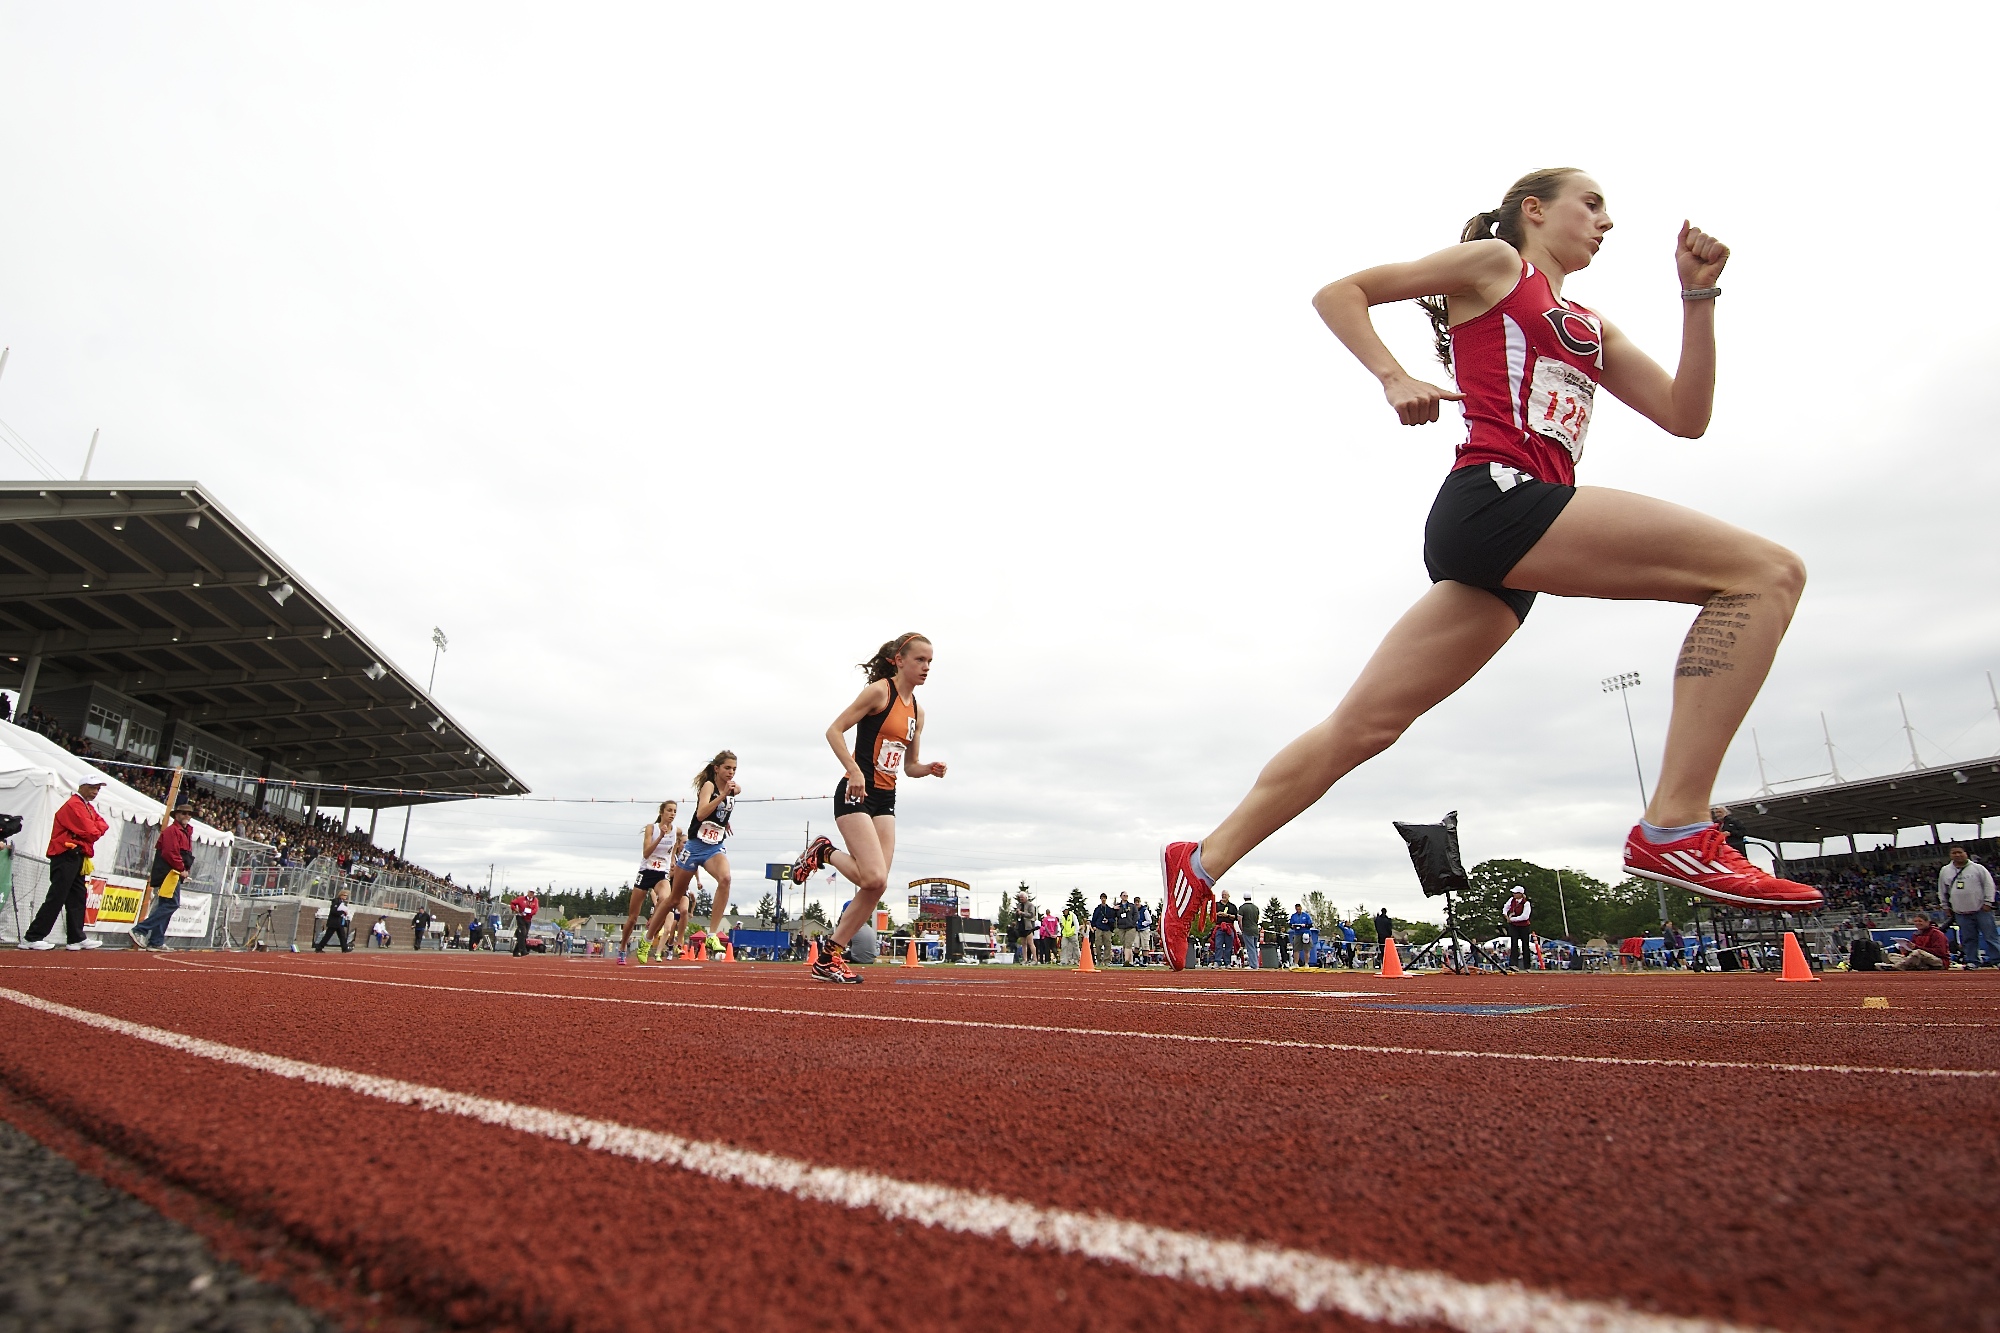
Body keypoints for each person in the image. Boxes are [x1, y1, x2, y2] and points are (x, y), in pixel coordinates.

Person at [1156, 169, 1819, 969]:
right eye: (1593, 203)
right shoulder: (1498, 267)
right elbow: (1340, 292)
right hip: (1498, 498)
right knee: (1765, 573)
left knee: (1362, 727)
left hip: (1508, 543)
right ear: (1534, 209)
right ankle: (1676, 821)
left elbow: (1687, 416)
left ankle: (1201, 861)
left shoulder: (1590, 325)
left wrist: (1697, 300)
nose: (1608, 220)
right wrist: (1393, 374)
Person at [785, 634, 947, 984]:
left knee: (877, 885)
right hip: (855, 792)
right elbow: (834, 730)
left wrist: (928, 768)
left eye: (930, 662)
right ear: (899, 660)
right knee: (872, 876)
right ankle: (824, 852)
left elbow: (909, 765)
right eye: (920, 660)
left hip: (885, 800)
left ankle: (828, 958)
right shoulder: (879, 692)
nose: (926, 668)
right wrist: (855, 769)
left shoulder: (917, 710)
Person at [641, 753, 742, 960]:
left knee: (726, 879)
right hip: (695, 847)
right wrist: (722, 798)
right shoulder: (709, 786)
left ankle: (712, 934)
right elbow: (701, 813)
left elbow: (729, 800)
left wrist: (724, 820)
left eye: (734, 769)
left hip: (714, 847)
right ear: (717, 769)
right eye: (727, 768)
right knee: (673, 899)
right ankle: (648, 939)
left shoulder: (734, 787)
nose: (731, 772)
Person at [20, 778, 110, 952]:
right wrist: (94, 828)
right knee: (57, 896)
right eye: (92, 788)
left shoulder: (86, 806)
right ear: (82, 787)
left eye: (97, 789)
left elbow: (102, 825)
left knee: (77, 896)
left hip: (77, 855)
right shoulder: (74, 805)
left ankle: (76, 938)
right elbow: (91, 831)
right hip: (65, 854)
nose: (95, 792)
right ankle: (32, 937)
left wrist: (94, 828)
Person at [130, 801, 196, 951]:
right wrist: (181, 868)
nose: (187, 816)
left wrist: (184, 869)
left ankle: (156, 941)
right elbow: (170, 853)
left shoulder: (184, 832)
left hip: (174, 873)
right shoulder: (172, 831)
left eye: (189, 814)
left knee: (166, 905)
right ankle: (140, 929)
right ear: (177, 815)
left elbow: (182, 854)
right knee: (171, 904)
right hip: (169, 873)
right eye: (183, 813)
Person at [622, 801, 683, 964]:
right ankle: (622, 948)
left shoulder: (677, 831)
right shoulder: (652, 828)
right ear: (662, 812)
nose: (672, 814)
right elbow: (646, 853)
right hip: (646, 872)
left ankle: (647, 937)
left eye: (675, 811)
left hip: (661, 874)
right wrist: (661, 836)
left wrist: (672, 861)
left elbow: (675, 846)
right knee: (633, 918)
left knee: (667, 901)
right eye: (669, 810)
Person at [1938, 846, 1998, 969]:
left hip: (1981, 909)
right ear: (1950, 855)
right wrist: (1945, 906)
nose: (1957, 855)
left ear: (1966, 854)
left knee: (1990, 936)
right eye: (1954, 853)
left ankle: (1997, 959)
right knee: (1968, 938)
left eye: (1959, 852)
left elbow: (1989, 885)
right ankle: (1972, 961)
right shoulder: (1945, 870)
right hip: (1960, 911)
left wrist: (1988, 902)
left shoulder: (1978, 868)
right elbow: (1942, 890)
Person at [314, 888, 354, 953]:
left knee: (342, 936)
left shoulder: (343, 903)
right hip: (334, 922)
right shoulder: (336, 901)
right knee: (328, 936)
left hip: (339, 922)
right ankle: (319, 947)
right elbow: (333, 911)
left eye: (346, 896)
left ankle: (344, 948)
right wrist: (342, 912)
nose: (345, 897)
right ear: (340, 895)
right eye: (344, 895)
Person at [1503, 886, 1533, 971]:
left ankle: (1527, 966)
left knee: (1525, 945)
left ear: (1520, 894)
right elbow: (1505, 908)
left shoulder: (1526, 903)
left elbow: (1525, 916)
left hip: (1524, 926)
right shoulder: (1511, 900)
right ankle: (1513, 964)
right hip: (1514, 926)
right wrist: (1505, 915)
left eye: (1516, 893)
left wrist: (1512, 919)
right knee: (1514, 943)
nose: (1514, 894)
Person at [1088, 893, 1117, 966]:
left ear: (1106, 899)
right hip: (1099, 928)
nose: (1103, 899)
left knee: (1108, 945)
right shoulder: (1097, 909)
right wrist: (1093, 925)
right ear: (1100, 899)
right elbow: (1094, 918)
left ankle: (1107, 960)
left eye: (1104, 898)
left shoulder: (1109, 910)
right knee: (1098, 944)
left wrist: (1108, 921)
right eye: (1102, 898)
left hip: (1107, 929)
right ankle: (1098, 960)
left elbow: (1113, 919)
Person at [1212, 892, 1240, 967]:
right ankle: (1217, 961)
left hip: (1229, 927)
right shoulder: (1216, 905)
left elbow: (1235, 917)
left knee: (1229, 946)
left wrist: (1227, 915)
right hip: (1219, 927)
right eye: (1223, 895)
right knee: (1218, 945)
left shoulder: (1232, 906)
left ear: (1229, 896)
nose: (1224, 896)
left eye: (1225, 895)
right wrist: (1217, 914)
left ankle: (1227, 962)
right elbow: (1211, 914)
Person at [1286, 904, 1314, 969]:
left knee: (1306, 949)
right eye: (1297, 909)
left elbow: (1310, 924)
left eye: (1299, 909)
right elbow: (1290, 924)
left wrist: (1305, 925)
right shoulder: (1293, 916)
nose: (1298, 910)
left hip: (1305, 933)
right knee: (1296, 949)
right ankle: (1296, 963)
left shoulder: (1306, 915)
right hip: (1297, 933)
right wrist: (1292, 926)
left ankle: (1306, 964)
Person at [509, 891, 538, 955]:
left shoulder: (535, 900)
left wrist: (529, 912)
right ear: (528, 892)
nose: (531, 894)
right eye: (530, 892)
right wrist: (515, 909)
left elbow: (535, 910)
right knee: (523, 932)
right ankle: (523, 950)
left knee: (523, 935)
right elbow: (512, 903)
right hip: (520, 917)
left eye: (533, 893)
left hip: (528, 919)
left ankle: (516, 951)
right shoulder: (521, 899)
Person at [1115, 893, 1140, 966]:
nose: (1125, 897)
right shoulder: (1118, 906)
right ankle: (1131, 961)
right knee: (1124, 944)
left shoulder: (1132, 906)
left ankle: (1126, 961)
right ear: (1121, 896)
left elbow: (1136, 915)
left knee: (1128, 944)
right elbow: (1113, 915)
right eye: (1124, 895)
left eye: (1126, 896)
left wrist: (1132, 923)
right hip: (1121, 927)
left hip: (1130, 928)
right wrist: (1113, 909)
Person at [1238, 896, 1261, 969]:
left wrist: (1241, 929)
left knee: (1250, 948)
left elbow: (1239, 920)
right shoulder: (1256, 908)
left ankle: (1253, 965)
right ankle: (1256, 963)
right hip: (1255, 930)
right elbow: (1257, 919)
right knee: (1254, 947)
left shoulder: (1242, 908)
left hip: (1247, 930)